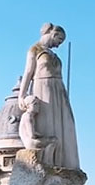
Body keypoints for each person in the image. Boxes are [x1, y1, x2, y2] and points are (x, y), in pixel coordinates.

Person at [18, 22, 79, 169]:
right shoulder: (35, 50)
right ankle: (48, 162)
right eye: (59, 40)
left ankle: (65, 163)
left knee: (65, 125)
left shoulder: (54, 54)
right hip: (42, 88)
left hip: (59, 90)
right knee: (47, 125)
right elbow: (28, 73)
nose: (58, 45)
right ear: (54, 34)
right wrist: (22, 94)